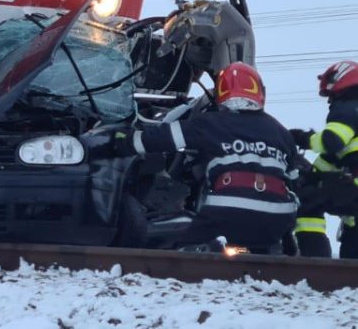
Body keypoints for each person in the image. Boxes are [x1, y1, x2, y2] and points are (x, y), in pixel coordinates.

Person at [94, 62, 300, 252]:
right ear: (260, 92)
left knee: (184, 253)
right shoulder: (281, 132)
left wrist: (121, 143)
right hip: (277, 218)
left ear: (221, 93)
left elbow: (161, 138)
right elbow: (293, 178)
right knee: (263, 257)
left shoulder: (210, 123)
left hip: (227, 212)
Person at [289, 61, 358, 258]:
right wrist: (309, 174)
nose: (329, 101)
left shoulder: (348, 106)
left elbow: (331, 141)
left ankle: (314, 260)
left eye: (330, 95)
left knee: (307, 199)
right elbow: (331, 159)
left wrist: (302, 138)